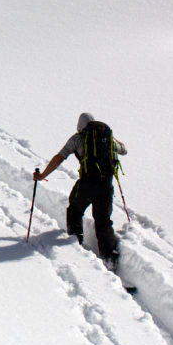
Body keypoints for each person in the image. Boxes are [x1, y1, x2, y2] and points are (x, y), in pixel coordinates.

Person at [34, 113, 127, 268]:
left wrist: (42, 175)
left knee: (75, 210)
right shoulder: (106, 138)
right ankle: (109, 258)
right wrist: (111, 137)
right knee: (103, 222)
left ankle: (76, 243)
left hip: (87, 184)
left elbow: (59, 158)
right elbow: (124, 150)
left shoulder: (78, 138)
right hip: (106, 185)